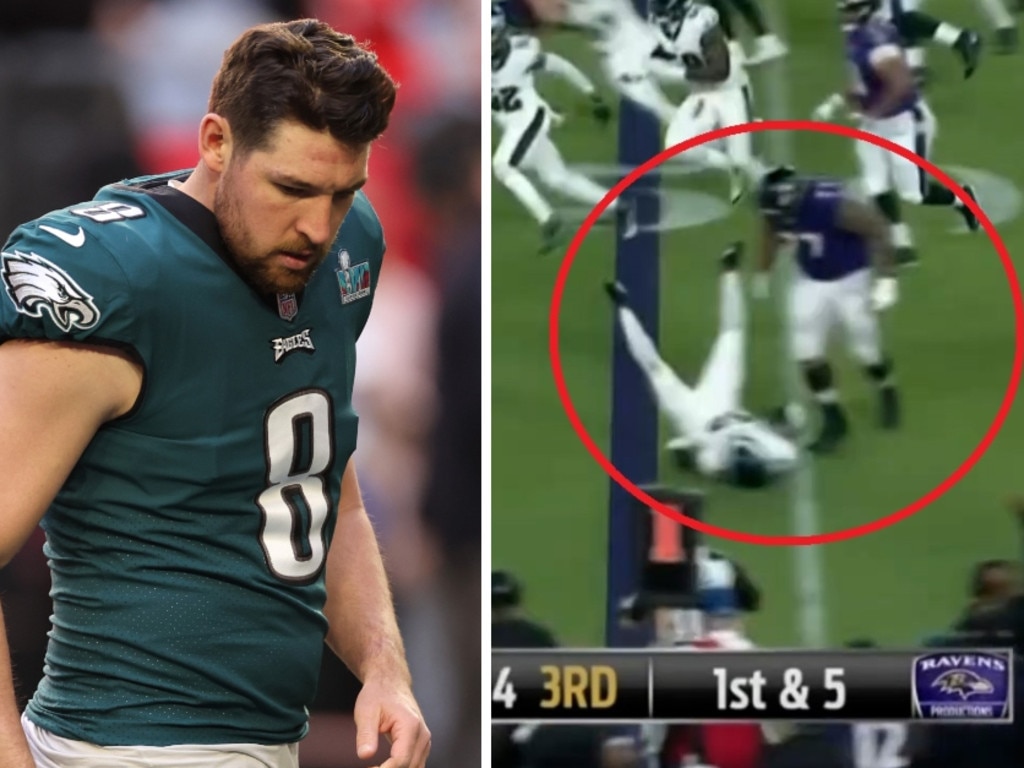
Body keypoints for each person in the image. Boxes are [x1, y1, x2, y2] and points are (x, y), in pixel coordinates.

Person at [0, 18, 429, 768]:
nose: (316, 226)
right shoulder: (114, 279)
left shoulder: (348, 245)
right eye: (291, 188)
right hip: (122, 745)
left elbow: (328, 493)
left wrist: (385, 668)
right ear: (215, 142)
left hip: (267, 738)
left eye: (341, 192)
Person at [605, 242, 799, 489]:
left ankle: (622, 305)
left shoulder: (715, 462)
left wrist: (685, 449)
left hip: (694, 414)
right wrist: (782, 421)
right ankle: (729, 270)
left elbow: (687, 455)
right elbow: (786, 442)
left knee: (653, 366)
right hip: (725, 401)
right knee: (733, 333)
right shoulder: (779, 453)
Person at [812, 0, 979, 268]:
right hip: (876, 125)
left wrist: (874, 112)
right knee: (875, 183)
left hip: (904, 124)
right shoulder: (858, 36)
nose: (844, 15)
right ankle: (901, 239)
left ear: (865, 9)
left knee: (914, 193)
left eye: (850, 9)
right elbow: (860, 79)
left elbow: (901, 85)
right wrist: (836, 102)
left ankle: (962, 198)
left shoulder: (879, 44)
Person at [754, 166, 901, 453]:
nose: (774, 218)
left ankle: (886, 387)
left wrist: (887, 280)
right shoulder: (781, 206)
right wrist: (763, 271)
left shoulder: (832, 207)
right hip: (811, 279)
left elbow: (878, 228)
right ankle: (833, 418)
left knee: (865, 351)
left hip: (851, 279)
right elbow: (770, 230)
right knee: (806, 352)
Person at [491, 5, 633, 255]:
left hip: (527, 121)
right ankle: (618, 206)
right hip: (519, 123)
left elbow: (558, 65)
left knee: (502, 166)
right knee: (558, 178)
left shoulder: (521, 53)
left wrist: (590, 92)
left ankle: (548, 219)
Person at [651, 0, 764, 205]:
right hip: (700, 92)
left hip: (730, 90)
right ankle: (728, 161)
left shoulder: (701, 21)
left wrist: (678, 74)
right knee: (676, 146)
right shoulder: (660, 24)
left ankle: (745, 159)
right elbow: (659, 53)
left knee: (743, 160)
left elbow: (720, 70)